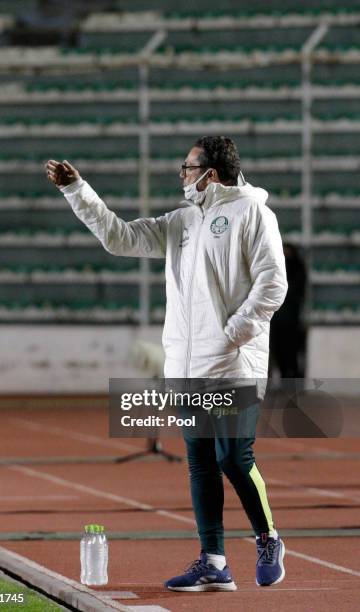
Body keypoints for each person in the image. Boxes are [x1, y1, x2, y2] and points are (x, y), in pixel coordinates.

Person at [45, 136, 288, 592]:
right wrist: (77, 190)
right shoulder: (180, 222)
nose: (181, 174)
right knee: (199, 462)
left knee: (234, 459)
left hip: (232, 363)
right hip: (187, 365)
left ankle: (268, 537)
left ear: (209, 174)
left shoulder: (253, 213)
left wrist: (232, 334)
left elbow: (273, 284)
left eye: (187, 166)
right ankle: (214, 560)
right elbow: (120, 238)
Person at [270, 243, 306, 378]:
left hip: (291, 321)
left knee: (291, 352)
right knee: (278, 352)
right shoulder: (277, 269)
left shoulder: (297, 270)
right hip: (277, 320)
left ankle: (292, 381)